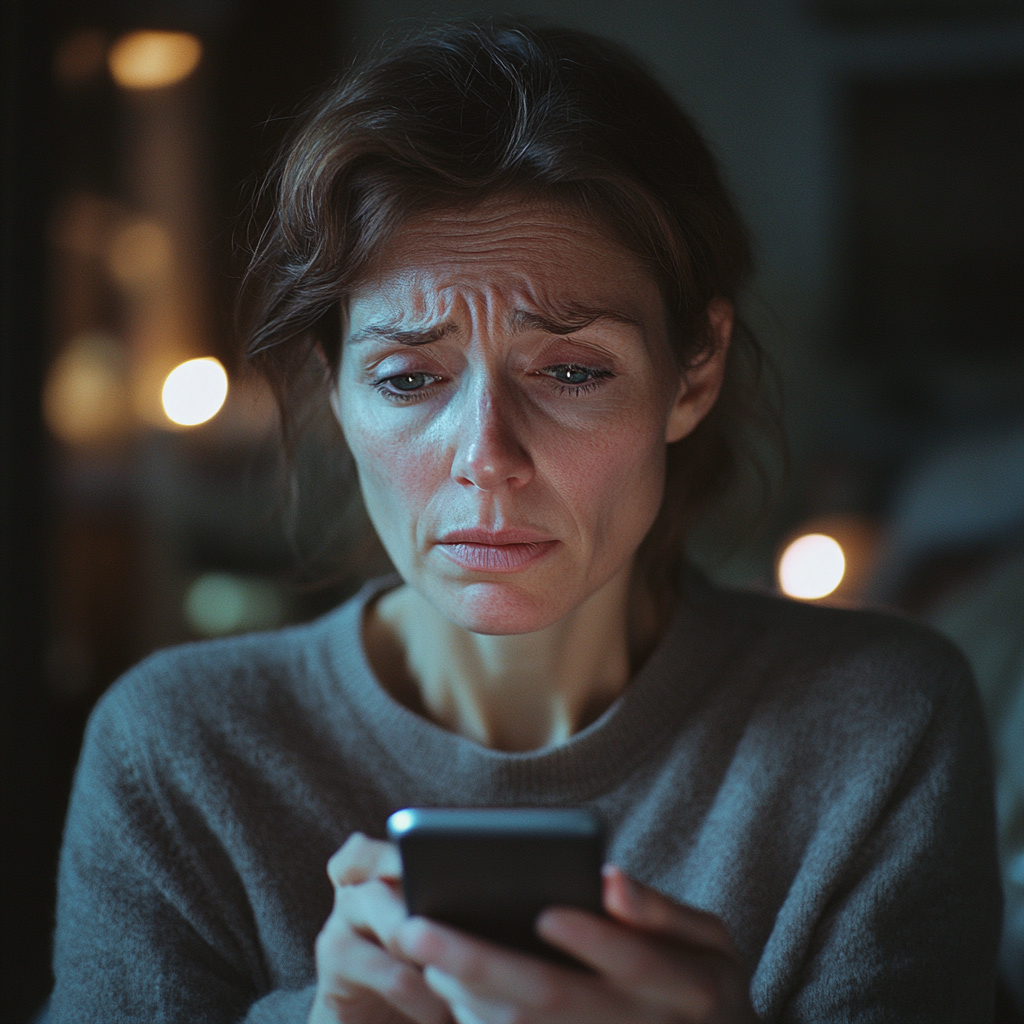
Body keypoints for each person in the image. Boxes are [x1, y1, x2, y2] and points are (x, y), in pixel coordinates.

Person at [50, 21, 1002, 1024]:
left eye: (573, 371)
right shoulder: (180, 749)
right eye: (410, 377)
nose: (486, 457)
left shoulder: (877, 725)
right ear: (334, 390)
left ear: (695, 373)